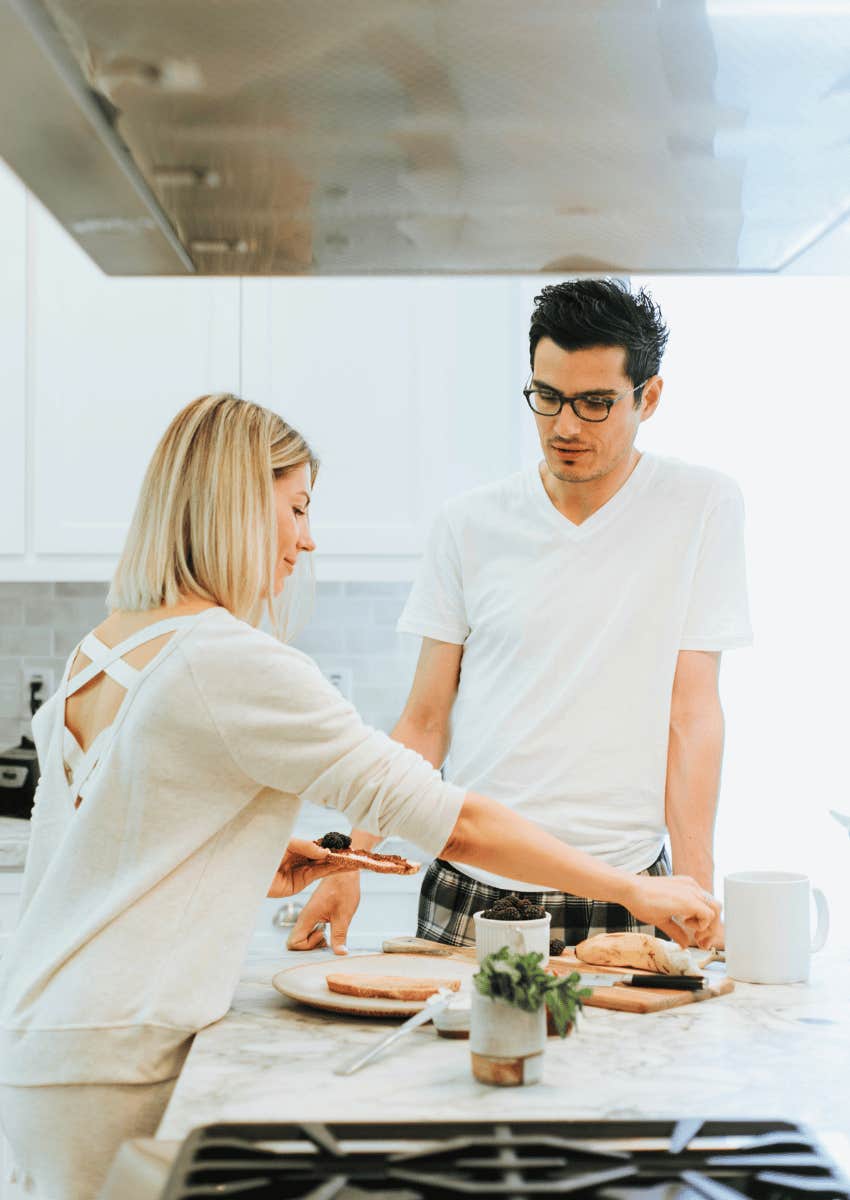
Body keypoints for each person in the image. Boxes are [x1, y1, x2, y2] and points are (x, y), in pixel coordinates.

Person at [0, 392, 718, 1199]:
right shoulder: (228, 660)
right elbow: (454, 823)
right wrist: (631, 887)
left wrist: (247, 853)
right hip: (117, 1050)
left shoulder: (104, 645)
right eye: (297, 508)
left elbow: (92, 845)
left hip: (45, 1034)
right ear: (237, 505)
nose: (307, 540)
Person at [290, 279, 751, 955]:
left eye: (595, 403)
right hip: (471, 891)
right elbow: (425, 722)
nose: (565, 427)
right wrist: (351, 860)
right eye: (548, 396)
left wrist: (697, 889)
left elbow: (693, 714)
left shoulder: (701, 507)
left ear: (648, 398)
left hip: (628, 892)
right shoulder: (468, 524)